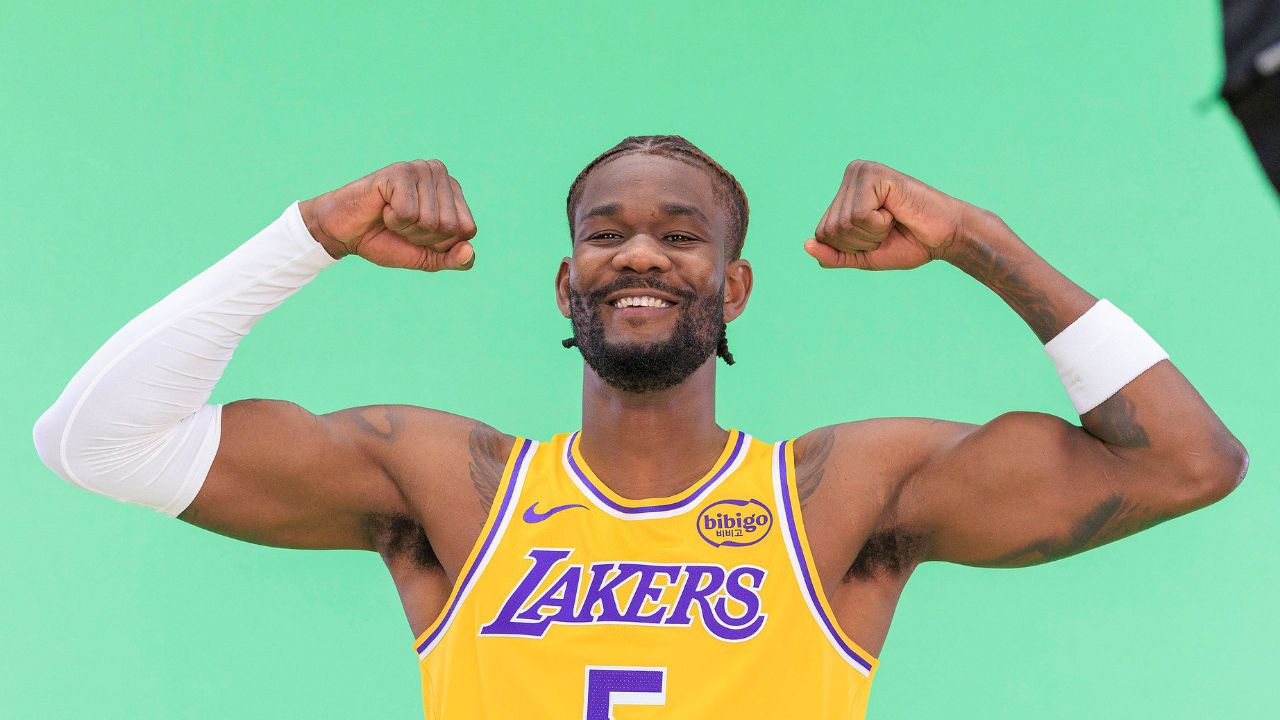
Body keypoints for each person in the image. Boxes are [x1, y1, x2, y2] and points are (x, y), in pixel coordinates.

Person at [32, 136, 1247, 719]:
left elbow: (1188, 464)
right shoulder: (450, 487)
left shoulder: (842, 494)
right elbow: (96, 443)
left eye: (680, 233)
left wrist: (979, 238)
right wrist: (307, 233)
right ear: (566, 286)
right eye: (604, 231)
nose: (640, 253)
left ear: (733, 286)